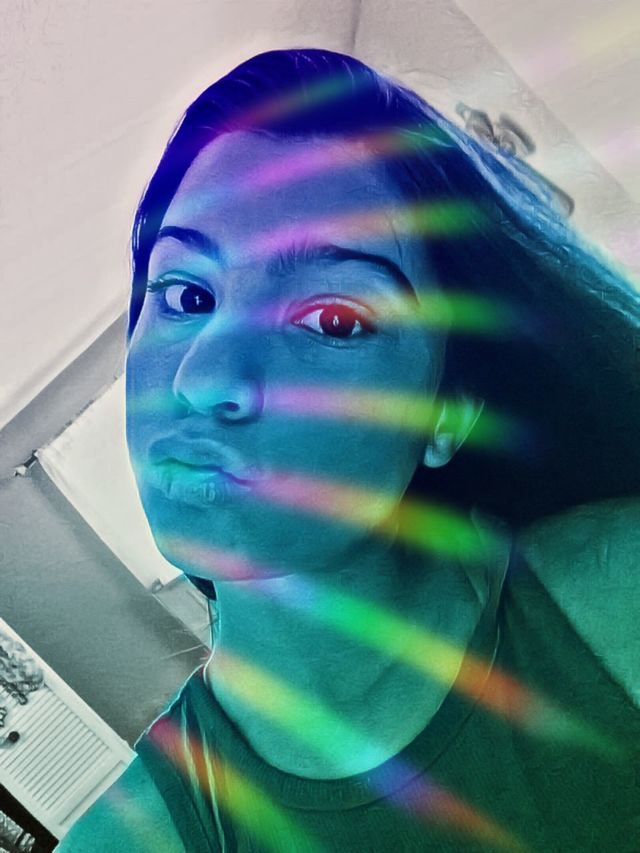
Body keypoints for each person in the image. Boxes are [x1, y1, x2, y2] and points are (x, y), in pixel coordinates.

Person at [56, 49, 640, 852]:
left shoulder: (618, 598)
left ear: (446, 410)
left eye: (333, 320)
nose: (204, 378)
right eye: (187, 295)